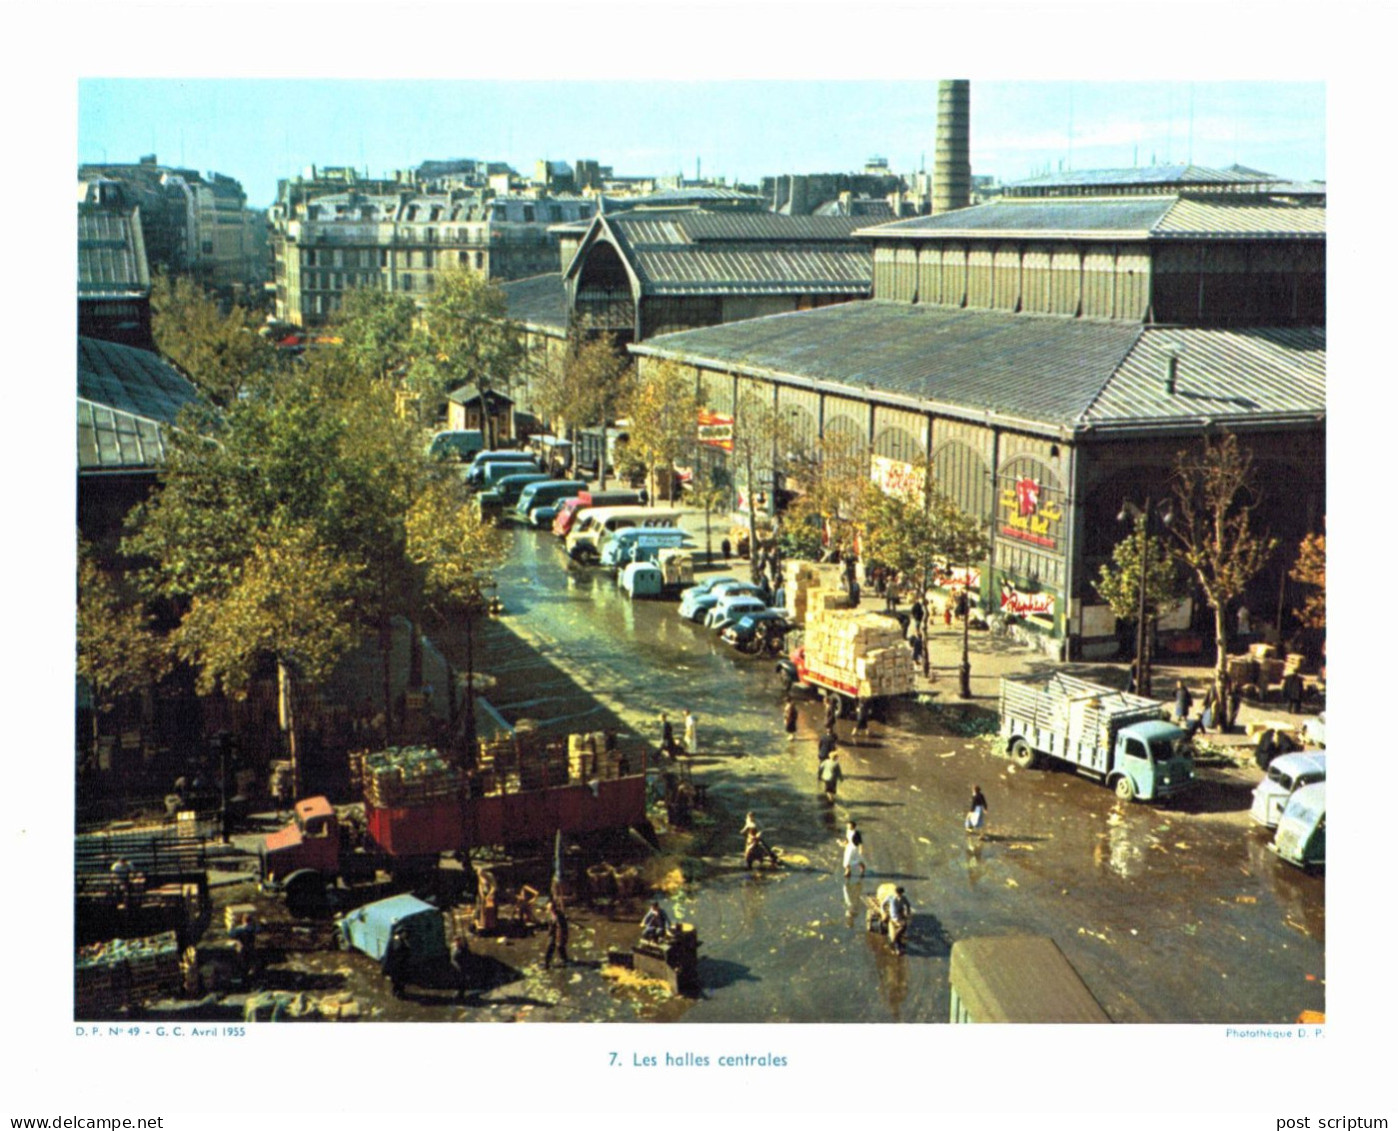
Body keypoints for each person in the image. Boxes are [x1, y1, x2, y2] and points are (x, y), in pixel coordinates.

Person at [882, 886, 912, 955]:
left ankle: (895, 940)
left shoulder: (903, 898)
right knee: (903, 926)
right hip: (894, 917)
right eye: (898, 894)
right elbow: (883, 904)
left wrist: (908, 912)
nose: (899, 895)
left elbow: (908, 905)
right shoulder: (890, 897)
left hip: (900, 915)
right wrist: (884, 911)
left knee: (905, 925)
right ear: (895, 893)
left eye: (900, 894)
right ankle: (894, 941)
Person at [382, 927, 411, 999]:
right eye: (404, 933)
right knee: (398, 981)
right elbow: (393, 953)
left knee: (400, 980)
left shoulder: (402, 940)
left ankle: (398, 993)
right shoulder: (397, 941)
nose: (405, 934)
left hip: (401, 965)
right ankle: (398, 993)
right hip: (397, 965)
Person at [543, 897, 570, 969]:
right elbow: (550, 924)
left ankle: (564, 961)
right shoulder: (550, 914)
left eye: (551, 908)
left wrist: (561, 938)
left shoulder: (559, 915)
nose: (550, 910)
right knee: (550, 947)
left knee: (560, 947)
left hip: (559, 933)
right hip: (553, 933)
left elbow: (562, 928)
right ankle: (547, 963)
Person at [450, 933, 473, 1000]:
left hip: (462, 967)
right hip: (454, 966)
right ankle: (459, 992)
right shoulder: (453, 947)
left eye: (458, 941)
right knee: (456, 980)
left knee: (461, 981)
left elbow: (468, 958)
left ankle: (461, 994)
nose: (457, 942)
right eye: (456, 941)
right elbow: (452, 957)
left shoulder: (463, 950)